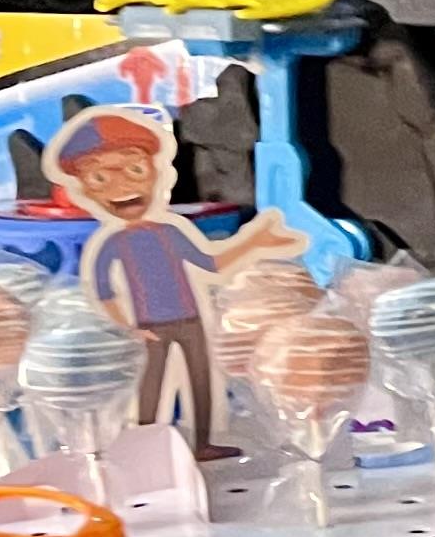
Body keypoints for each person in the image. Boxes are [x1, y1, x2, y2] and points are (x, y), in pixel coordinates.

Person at [54, 104, 298, 457]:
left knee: (201, 381)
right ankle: (146, 449)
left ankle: (203, 444)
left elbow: (210, 263)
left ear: (155, 174)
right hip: (150, 325)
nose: (122, 186)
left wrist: (253, 244)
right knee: (150, 387)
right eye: (101, 179)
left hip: (191, 318)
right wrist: (128, 328)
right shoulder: (113, 242)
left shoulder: (170, 232)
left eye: (134, 169)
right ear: (87, 192)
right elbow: (103, 289)